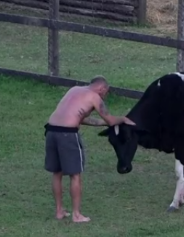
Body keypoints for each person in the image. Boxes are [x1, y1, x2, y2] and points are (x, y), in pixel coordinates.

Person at [44, 76, 135, 223]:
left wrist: (102, 123)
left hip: (51, 131)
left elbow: (78, 116)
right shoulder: (94, 97)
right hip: (68, 135)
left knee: (57, 172)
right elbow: (111, 120)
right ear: (102, 88)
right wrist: (123, 119)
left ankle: (59, 211)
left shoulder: (74, 89)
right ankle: (76, 214)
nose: (105, 96)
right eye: (106, 93)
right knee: (75, 175)